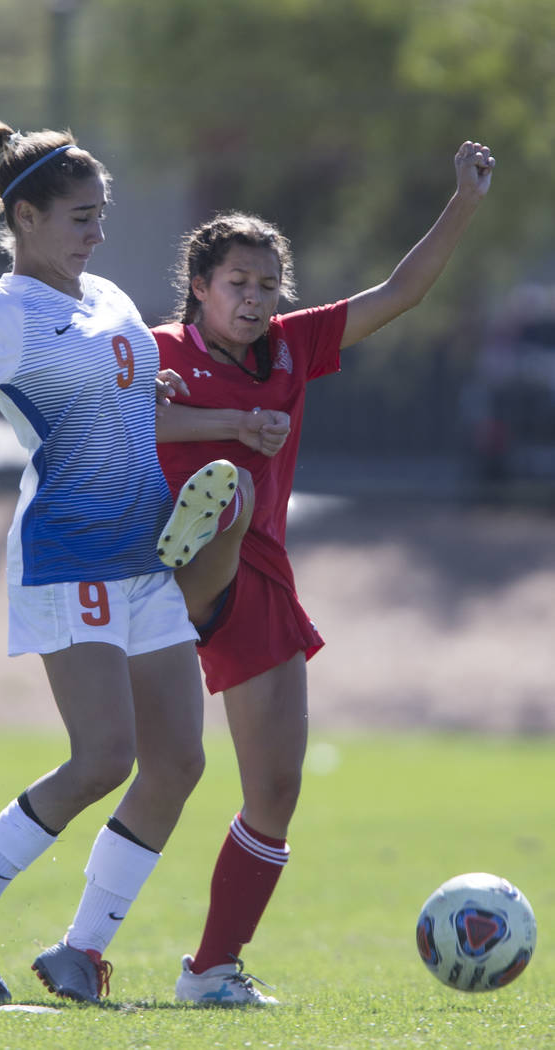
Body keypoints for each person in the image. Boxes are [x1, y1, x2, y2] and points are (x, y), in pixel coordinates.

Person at [0, 118, 280, 1006]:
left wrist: (199, 410)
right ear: (27, 217)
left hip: (143, 553)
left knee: (177, 761)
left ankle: (83, 951)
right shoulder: (3, 314)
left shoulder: (114, 302)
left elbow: (133, 409)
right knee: (103, 759)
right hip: (67, 554)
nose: (97, 231)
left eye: (102, 213)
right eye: (81, 217)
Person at [153, 140, 495, 1004]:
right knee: (217, 506)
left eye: (270, 285)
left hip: (260, 579)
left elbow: (401, 294)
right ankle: (202, 539)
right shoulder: (153, 352)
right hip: (147, 568)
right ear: (199, 285)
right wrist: (229, 419)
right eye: (239, 282)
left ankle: (212, 971)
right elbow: (125, 425)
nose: (258, 298)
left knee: (275, 788)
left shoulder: (294, 348)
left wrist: (462, 201)